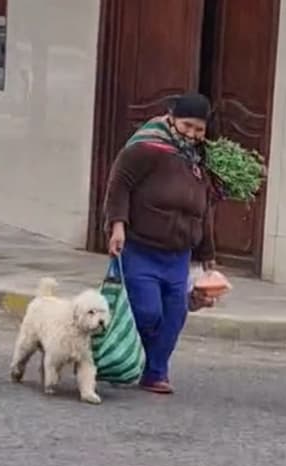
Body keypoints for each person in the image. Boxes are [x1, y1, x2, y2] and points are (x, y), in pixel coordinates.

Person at [103, 93, 218, 394]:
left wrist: (206, 254)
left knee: (175, 314)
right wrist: (117, 226)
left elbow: (204, 208)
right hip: (141, 247)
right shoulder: (146, 147)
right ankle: (129, 356)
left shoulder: (199, 159)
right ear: (171, 119)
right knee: (147, 311)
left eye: (199, 129)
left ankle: (156, 372)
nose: (192, 134)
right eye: (187, 126)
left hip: (179, 254)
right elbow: (119, 184)